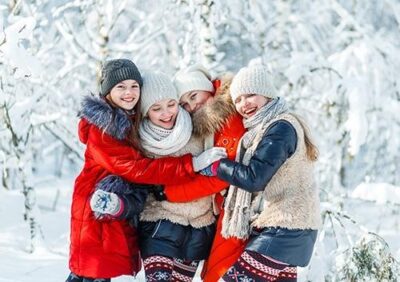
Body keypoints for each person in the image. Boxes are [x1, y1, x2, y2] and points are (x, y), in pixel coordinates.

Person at [66, 59, 226, 282]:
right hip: (97, 203)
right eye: (120, 87)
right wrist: (191, 164)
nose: (129, 92)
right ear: (107, 92)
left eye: (134, 86)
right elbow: (137, 169)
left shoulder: (130, 120)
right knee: (91, 272)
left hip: (121, 203)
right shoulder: (103, 128)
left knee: (94, 272)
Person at [206, 65, 321, 282]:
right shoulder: (265, 128)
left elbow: (254, 178)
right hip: (288, 228)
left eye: (250, 95)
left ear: (267, 92)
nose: (244, 104)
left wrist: (216, 167)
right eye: (238, 99)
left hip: (286, 227)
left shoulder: (281, 128)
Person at [159, 64, 248, 282]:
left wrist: (171, 194)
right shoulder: (209, 119)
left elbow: (220, 178)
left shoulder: (227, 115)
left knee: (217, 273)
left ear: (206, 87)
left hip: (240, 207)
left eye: (193, 95)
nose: (191, 105)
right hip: (224, 208)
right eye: (184, 104)